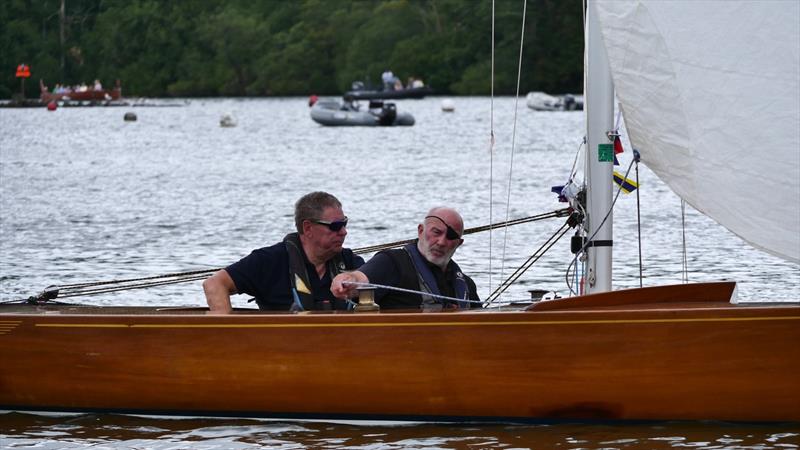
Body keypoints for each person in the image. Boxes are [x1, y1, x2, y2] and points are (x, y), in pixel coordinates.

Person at [204, 191, 364, 314]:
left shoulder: (351, 262)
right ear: (308, 228)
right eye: (335, 226)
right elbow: (215, 284)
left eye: (345, 224)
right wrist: (227, 331)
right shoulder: (269, 261)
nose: (344, 232)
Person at [331, 207, 480, 311]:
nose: (441, 242)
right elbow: (361, 278)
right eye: (436, 232)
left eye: (451, 237)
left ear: (459, 243)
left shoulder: (467, 285)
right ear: (420, 231)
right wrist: (348, 280)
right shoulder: (391, 262)